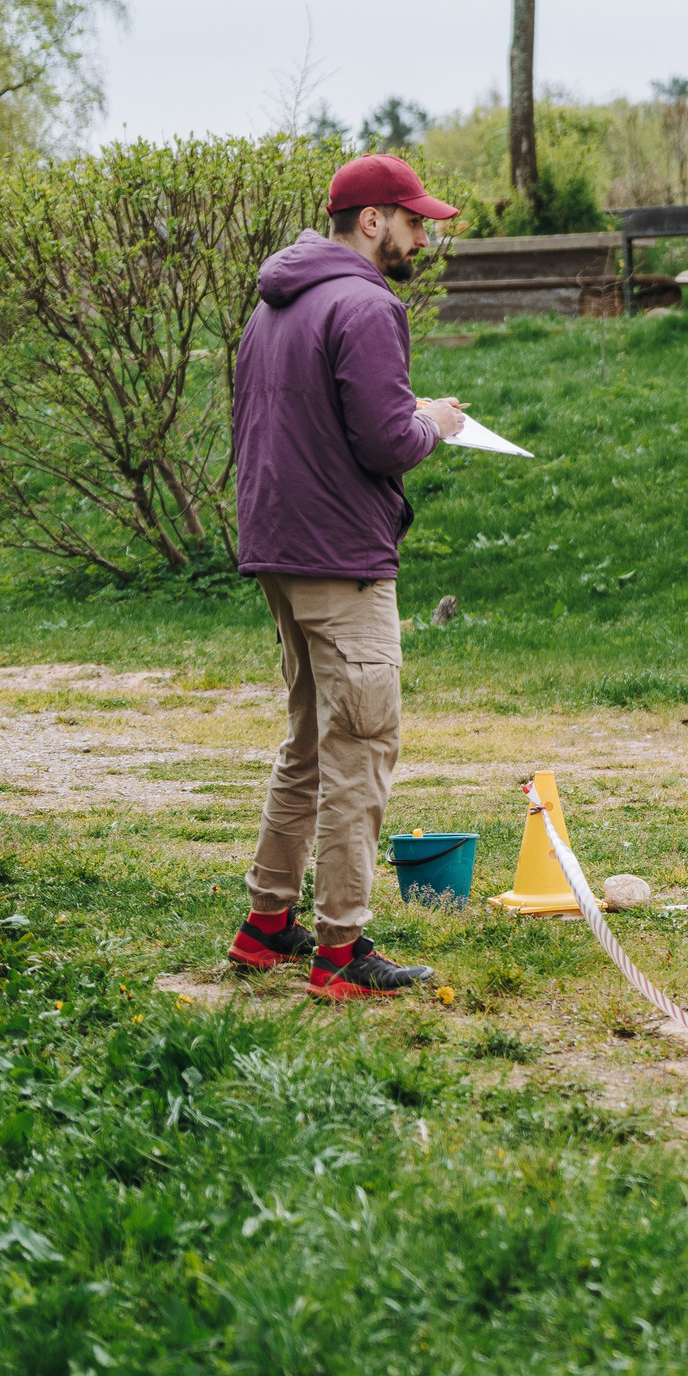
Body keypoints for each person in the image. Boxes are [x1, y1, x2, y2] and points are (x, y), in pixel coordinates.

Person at [225, 153, 467, 1001]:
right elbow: (384, 442)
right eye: (413, 221)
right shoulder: (366, 304)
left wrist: (407, 413)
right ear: (371, 221)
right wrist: (434, 423)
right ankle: (341, 952)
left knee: (307, 742)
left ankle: (266, 925)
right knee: (361, 746)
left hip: (280, 548)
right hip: (341, 558)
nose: (422, 237)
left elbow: (303, 422)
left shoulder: (276, 303)